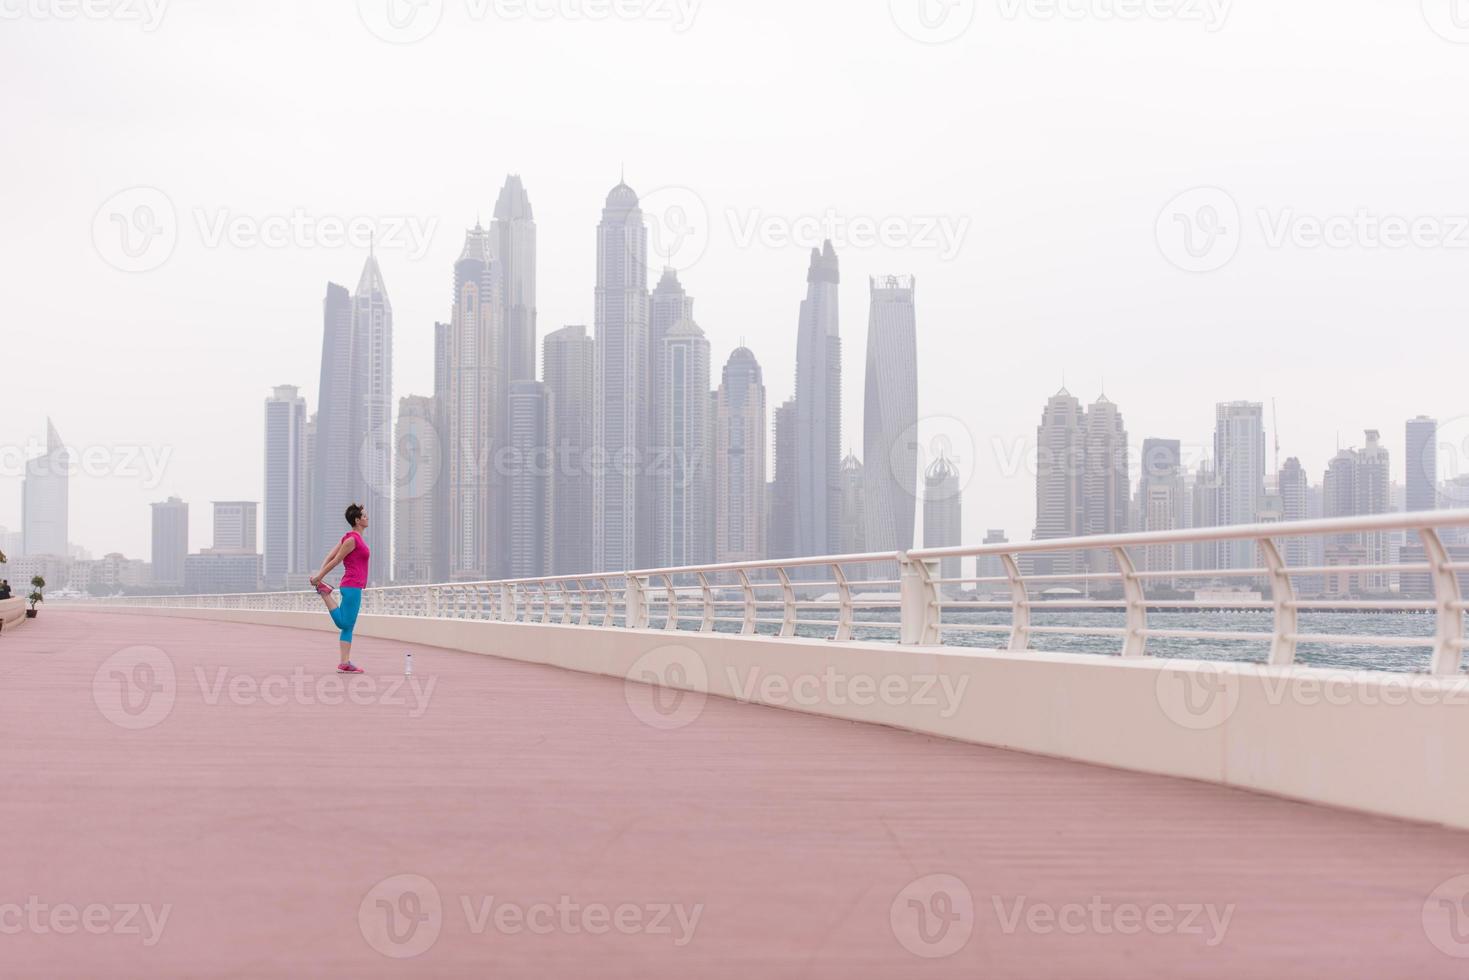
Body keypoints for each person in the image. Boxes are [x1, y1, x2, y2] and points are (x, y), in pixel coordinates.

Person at [309, 503, 371, 673]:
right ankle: (325, 593)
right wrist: (319, 577)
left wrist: (319, 573)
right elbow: (336, 560)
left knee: (348, 627)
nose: (367, 518)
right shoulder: (352, 540)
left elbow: (330, 556)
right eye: (364, 516)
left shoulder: (349, 537)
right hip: (352, 586)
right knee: (345, 622)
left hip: (354, 586)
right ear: (357, 520)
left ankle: (344, 662)